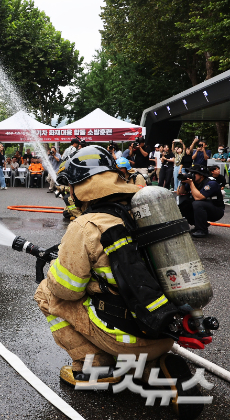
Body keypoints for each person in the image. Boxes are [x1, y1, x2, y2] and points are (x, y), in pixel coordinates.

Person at [34, 146, 202, 419]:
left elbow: (67, 290)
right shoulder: (145, 210)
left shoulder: (87, 225)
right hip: (164, 329)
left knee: (45, 293)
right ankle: (156, 365)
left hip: (124, 338)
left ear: (79, 187)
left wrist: (56, 269)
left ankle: (94, 365)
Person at [177, 165, 225, 238]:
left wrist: (190, 183)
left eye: (193, 173)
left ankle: (202, 230)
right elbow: (181, 192)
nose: (191, 175)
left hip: (216, 210)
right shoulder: (194, 181)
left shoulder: (211, 183)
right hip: (204, 207)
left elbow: (199, 198)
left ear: (201, 175)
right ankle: (199, 225)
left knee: (197, 203)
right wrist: (183, 183)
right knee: (183, 203)